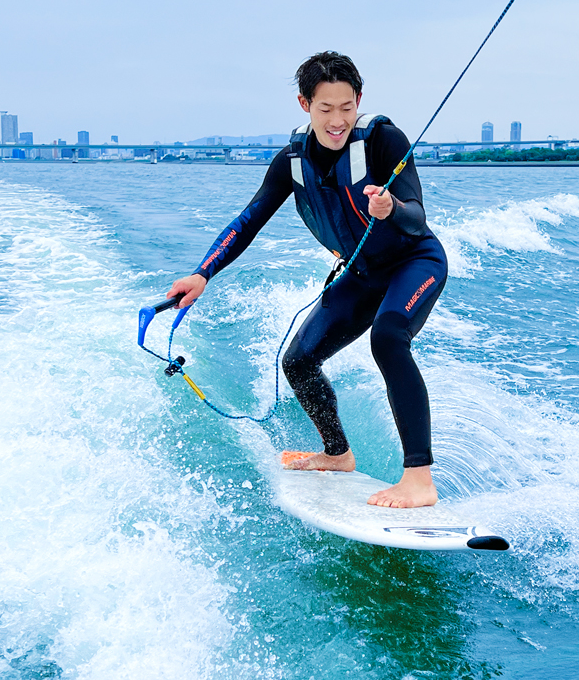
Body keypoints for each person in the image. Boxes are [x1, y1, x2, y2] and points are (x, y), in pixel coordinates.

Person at [167, 51, 447, 509]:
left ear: (359, 100)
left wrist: (390, 207)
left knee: (389, 337)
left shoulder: (384, 142)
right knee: (298, 361)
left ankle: (419, 479)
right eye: (325, 109)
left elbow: (416, 216)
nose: (337, 121)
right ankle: (338, 455)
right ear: (304, 105)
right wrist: (203, 274)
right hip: (361, 273)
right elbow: (248, 221)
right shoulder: (291, 161)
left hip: (415, 262)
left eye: (346, 107)